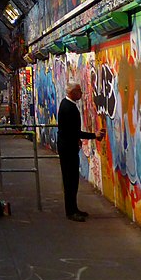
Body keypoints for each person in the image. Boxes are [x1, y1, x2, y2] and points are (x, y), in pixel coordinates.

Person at [56, 80, 105, 221]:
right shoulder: (68, 108)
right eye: (79, 91)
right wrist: (93, 135)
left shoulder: (67, 105)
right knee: (70, 180)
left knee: (72, 179)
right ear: (72, 92)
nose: (81, 93)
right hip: (68, 148)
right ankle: (71, 211)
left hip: (67, 147)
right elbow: (73, 132)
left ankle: (73, 208)